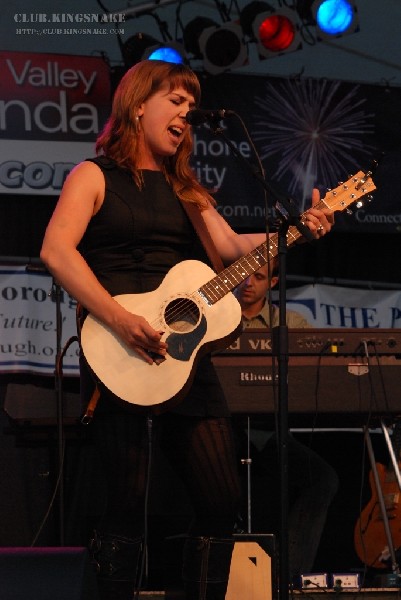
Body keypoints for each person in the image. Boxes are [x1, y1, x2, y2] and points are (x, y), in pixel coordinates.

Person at [40, 59, 334, 600]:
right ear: (137, 106)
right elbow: (56, 251)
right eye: (175, 101)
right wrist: (120, 317)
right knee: (127, 503)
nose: (185, 114)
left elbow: (234, 250)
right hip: (118, 345)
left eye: (189, 107)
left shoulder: (187, 189)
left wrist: (298, 229)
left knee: (221, 501)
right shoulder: (92, 175)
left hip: (184, 357)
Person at [234, 264, 339, 581]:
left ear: (274, 282)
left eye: (259, 277)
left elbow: (312, 377)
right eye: (243, 274)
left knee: (323, 479)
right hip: (224, 431)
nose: (248, 282)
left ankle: (288, 577)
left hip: (273, 434)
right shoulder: (213, 322)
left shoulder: (291, 323)